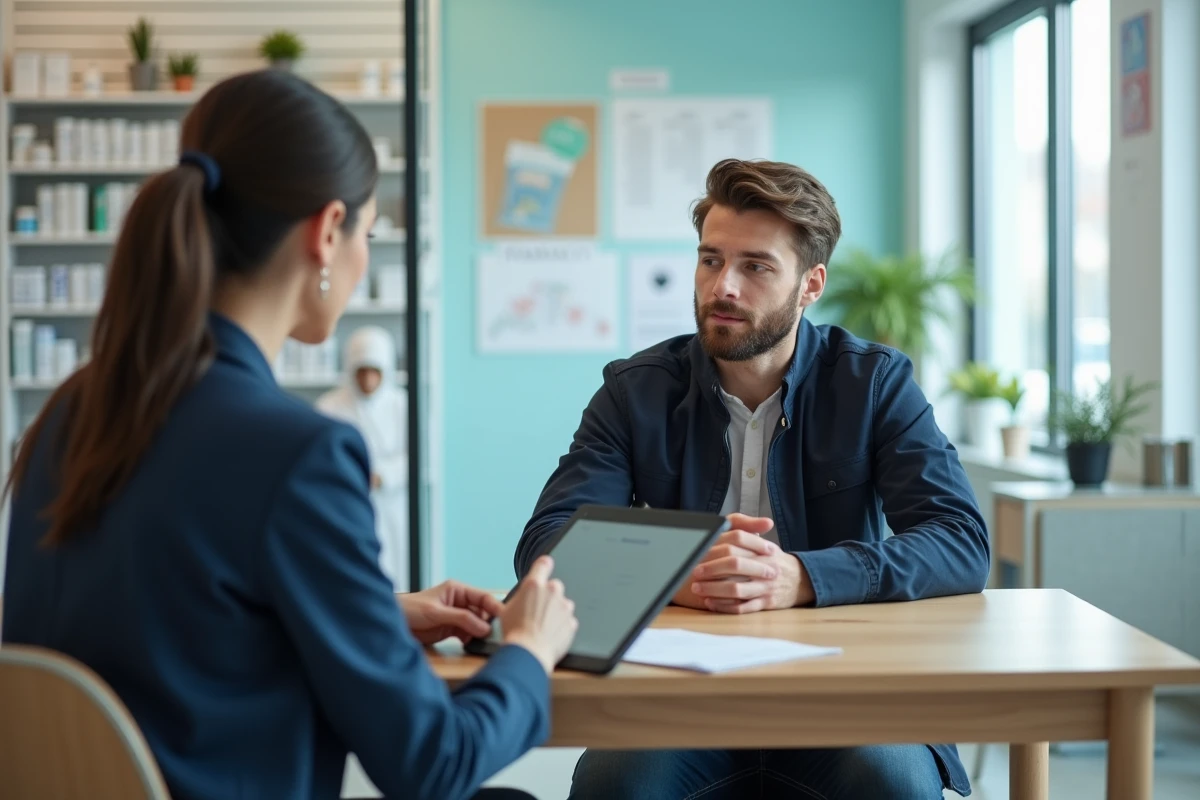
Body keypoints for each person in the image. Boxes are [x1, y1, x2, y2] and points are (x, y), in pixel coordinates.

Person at [1, 70, 577, 800]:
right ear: (327, 232)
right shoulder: (296, 452)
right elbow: (434, 763)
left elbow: (163, 620)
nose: (363, 259)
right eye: (367, 233)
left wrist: (374, 613)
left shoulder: (68, 414)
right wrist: (529, 649)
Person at [515, 159, 989, 799]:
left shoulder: (874, 384)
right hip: (678, 700)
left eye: (756, 267)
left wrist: (801, 577)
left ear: (810, 284)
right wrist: (678, 571)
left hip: (843, 692)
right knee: (613, 787)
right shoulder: (635, 391)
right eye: (711, 260)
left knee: (896, 783)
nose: (723, 287)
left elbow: (960, 540)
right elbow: (546, 541)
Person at [318, 326, 409, 589]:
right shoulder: (329, 406)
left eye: (375, 372)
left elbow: (415, 458)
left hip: (392, 508)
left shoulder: (401, 405)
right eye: (361, 371)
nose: (368, 380)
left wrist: (382, 476)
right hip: (345, 502)